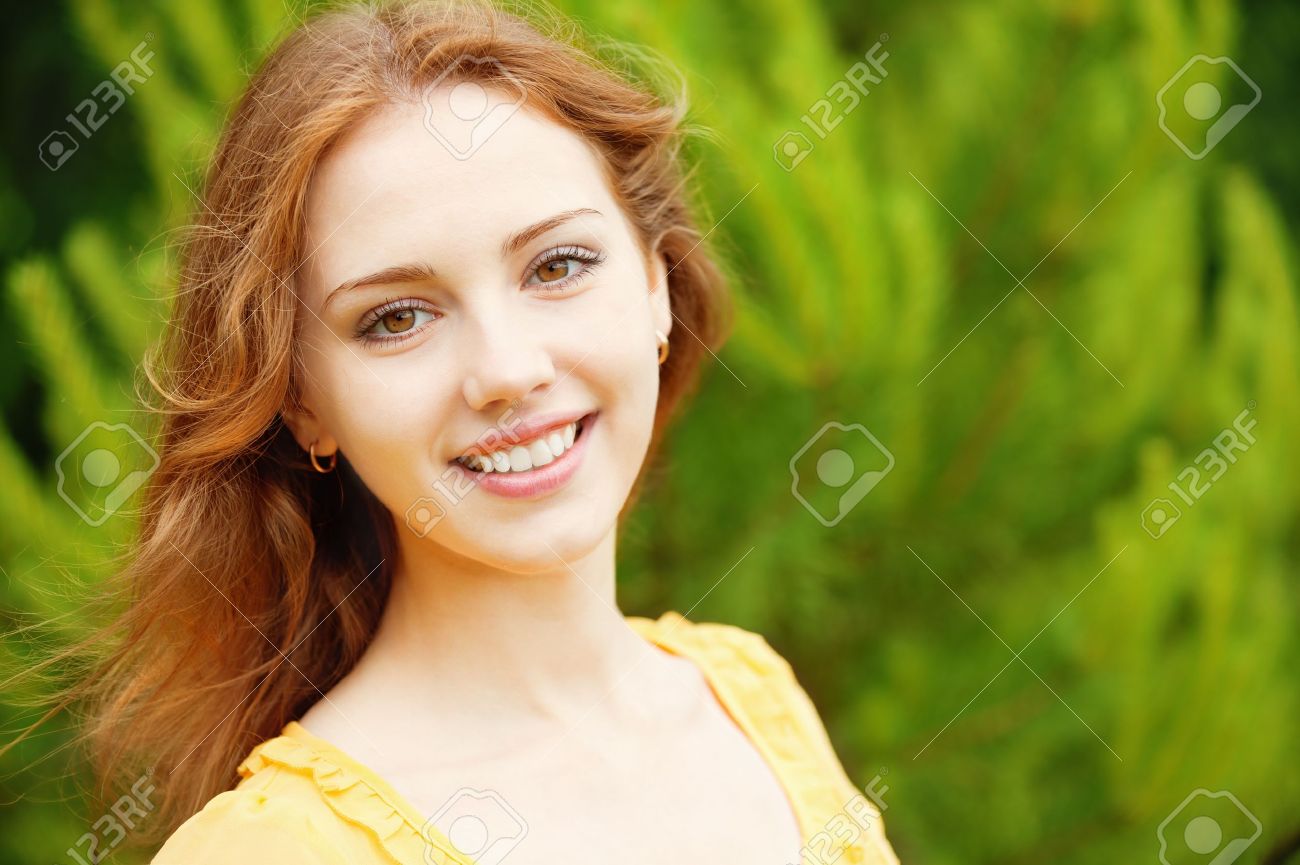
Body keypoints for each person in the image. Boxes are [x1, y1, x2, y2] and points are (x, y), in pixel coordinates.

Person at [63, 1, 900, 862]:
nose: (506, 369)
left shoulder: (748, 695)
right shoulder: (271, 849)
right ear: (303, 400)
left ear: (656, 280)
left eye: (558, 265)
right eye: (396, 318)